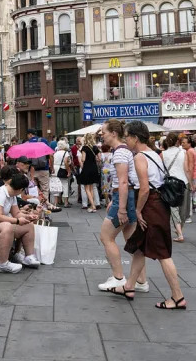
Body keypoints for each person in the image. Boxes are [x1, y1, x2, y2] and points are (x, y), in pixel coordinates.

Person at [108, 121, 187, 310]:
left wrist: (137, 210)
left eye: (127, 136)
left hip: (151, 205)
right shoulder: (154, 154)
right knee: (140, 248)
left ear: (135, 138)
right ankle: (129, 287)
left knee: (162, 254)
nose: (125, 140)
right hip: (158, 204)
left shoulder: (140, 157)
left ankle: (177, 297)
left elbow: (144, 189)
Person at [97, 119, 148, 294]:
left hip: (125, 198)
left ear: (113, 133)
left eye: (103, 132)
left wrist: (121, 207)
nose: (101, 135)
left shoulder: (119, 153)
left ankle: (118, 278)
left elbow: (123, 181)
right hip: (128, 196)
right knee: (132, 241)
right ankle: (141, 281)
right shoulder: (125, 150)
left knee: (106, 237)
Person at [161, 132, 191, 242]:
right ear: (178, 141)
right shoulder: (184, 152)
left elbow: (162, 170)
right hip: (183, 182)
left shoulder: (163, 154)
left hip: (170, 183)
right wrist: (191, 183)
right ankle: (180, 230)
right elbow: (187, 169)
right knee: (184, 209)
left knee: (173, 208)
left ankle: (179, 233)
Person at [77, 132, 101, 212]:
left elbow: (83, 159)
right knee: (91, 188)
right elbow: (99, 158)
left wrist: (83, 158)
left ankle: (93, 206)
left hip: (87, 168)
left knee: (87, 188)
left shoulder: (84, 148)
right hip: (94, 168)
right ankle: (92, 204)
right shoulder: (95, 147)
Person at [52, 139, 71, 208]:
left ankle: (55, 203)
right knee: (65, 185)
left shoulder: (55, 153)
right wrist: (68, 171)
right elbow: (66, 162)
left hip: (55, 169)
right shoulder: (66, 153)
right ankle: (66, 202)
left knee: (56, 186)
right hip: (63, 169)